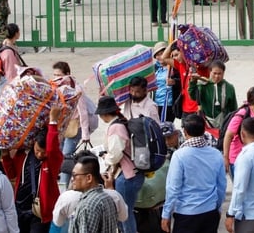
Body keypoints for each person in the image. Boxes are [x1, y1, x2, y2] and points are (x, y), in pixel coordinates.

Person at [1, 105, 63, 233]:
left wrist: (53, 121)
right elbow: (12, 174)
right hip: (19, 207)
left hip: (39, 212)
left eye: (43, 152)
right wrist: (5, 156)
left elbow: (52, 148)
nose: (40, 155)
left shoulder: (52, 162)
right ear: (34, 142)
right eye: (38, 150)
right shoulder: (22, 154)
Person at [161, 114, 226, 233]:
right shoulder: (216, 154)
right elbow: (221, 186)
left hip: (186, 214)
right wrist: (217, 208)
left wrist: (166, 214)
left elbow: (173, 188)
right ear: (203, 130)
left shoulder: (179, 155)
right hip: (210, 212)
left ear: (185, 132)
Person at [95, 96, 143, 233]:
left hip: (127, 176)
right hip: (134, 173)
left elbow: (116, 155)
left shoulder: (116, 127)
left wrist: (105, 159)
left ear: (104, 114)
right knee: (124, 212)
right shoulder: (122, 122)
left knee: (125, 214)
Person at [68, 153, 119, 233]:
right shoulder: (107, 198)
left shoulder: (87, 206)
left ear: (89, 178)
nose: (72, 179)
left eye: (75, 175)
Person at [189, 60, 238, 128]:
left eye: (219, 73)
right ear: (210, 72)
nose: (217, 76)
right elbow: (193, 97)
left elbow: (233, 108)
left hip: (223, 123)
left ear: (223, 73)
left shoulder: (229, 87)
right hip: (205, 122)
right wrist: (193, 82)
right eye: (214, 73)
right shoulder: (203, 85)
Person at [152, 42, 175, 122]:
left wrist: (174, 82)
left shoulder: (173, 67)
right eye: (157, 54)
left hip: (169, 103)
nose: (160, 57)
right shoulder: (155, 68)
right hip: (156, 103)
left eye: (162, 53)